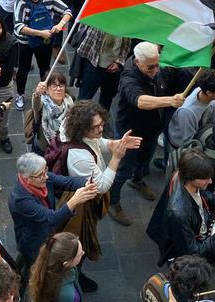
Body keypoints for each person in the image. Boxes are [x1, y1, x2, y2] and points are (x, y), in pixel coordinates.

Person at [52, 100, 141, 290]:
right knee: (77, 241)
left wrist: (116, 144)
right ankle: (74, 273)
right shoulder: (79, 157)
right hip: (81, 204)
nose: (101, 129)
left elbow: (97, 143)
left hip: (83, 194)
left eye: (102, 123)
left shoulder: (76, 133)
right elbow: (101, 186)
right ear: (82, 128)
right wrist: (116, 157)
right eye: (96, 127)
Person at [109, 42, 185, 226]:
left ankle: (137, 180)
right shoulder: (129, 78)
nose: (156, 70)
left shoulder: (155, 66)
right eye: (150, 67)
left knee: (145, 160)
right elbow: (140, 101)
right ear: (137, 62)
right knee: (123, 169)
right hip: (130, 133)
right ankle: (112, 200)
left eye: (158, 64)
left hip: (151, 129)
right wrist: (170, 101)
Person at [9, 153, 99, 289]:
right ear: (27, 179)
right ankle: (30, 287)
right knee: (36, 266)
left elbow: (65, 181)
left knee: (26, 259)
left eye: (45, 170)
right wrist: (74, 201)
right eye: (41, 175)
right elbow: (51, 219)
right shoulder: (20, 200)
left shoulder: (39, 177)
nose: (46, 176)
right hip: (35, 240)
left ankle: (20, 271)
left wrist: (85, 184)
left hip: (43, 233)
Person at [152, 150, 215, 265]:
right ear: (191, 177)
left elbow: (202, 192)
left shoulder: (183, 175)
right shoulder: (179, 213)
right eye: (206, 178)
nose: (210, 181)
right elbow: (190, 252)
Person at [13, 0, 73, 106]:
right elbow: (18, 26)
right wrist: (40, 33)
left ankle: (45, 91)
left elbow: (67, 12)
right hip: (25, 42)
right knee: (23, 69)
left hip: (44, 42)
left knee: (45, 68)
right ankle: (20, 94)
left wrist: (60, 24)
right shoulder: (20, 2)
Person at [28, 232, 85, 302]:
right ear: (66, 263)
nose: (83, 253)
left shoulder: (44, 268)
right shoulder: (66, 295)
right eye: (79, 254)